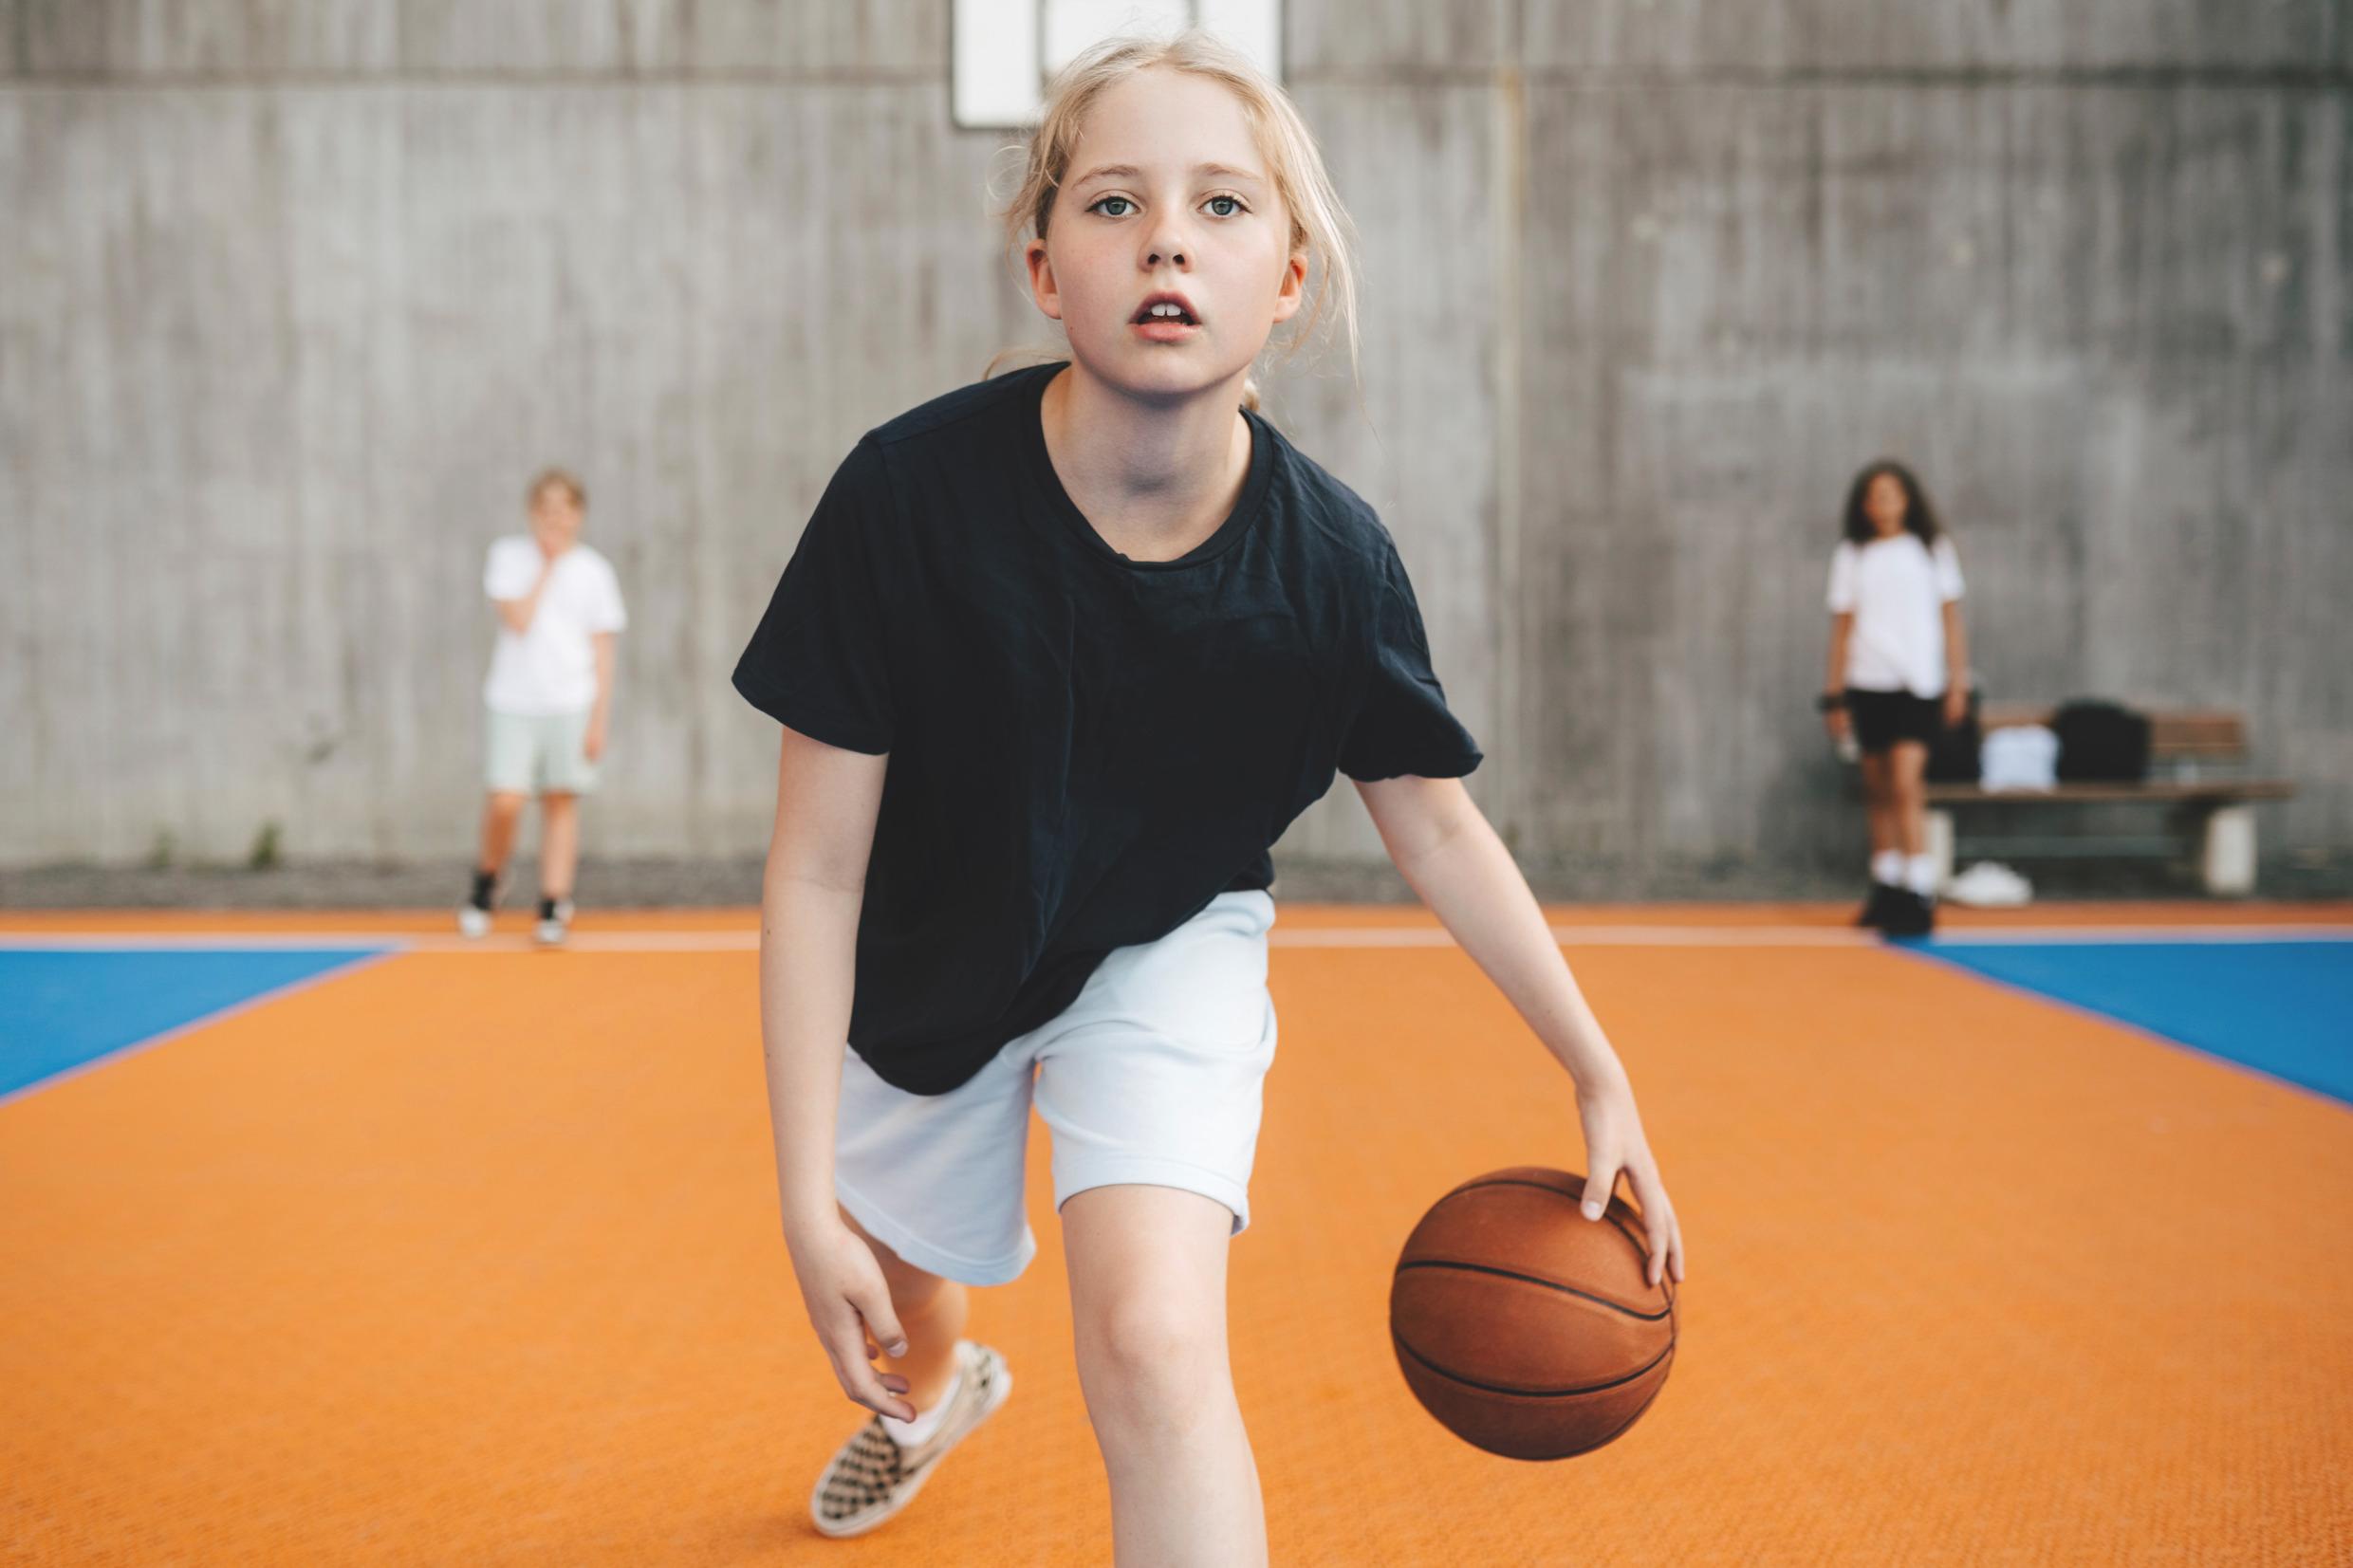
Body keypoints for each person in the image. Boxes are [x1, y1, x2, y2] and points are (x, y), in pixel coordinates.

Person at [735, 33, 1684, 1558]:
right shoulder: (903, 502)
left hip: (1165, 937)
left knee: (1156, 1343)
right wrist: (797, 1192)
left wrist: (1596, 1066)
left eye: (1224, 207)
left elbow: (1433, 815)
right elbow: (818, 869)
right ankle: (940, 1379)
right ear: (1044, 268)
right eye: (1113, 204)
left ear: (1290, 277)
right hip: (928, 945)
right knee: (896, 1291)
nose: (1167, 235)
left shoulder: (1330, 564)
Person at [460, 469, 626, 947]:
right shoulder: (508, 557)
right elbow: (517, 619)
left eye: (565, 508)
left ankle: (554, 902)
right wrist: (548, 566)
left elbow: (603, 651)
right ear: (533, 513)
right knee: (506, 799)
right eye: (546, 508)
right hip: (512, 700)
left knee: (560, 798)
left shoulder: (596, 571)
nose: (556, 518)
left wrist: (598, 719)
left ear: (579, 514)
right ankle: (487, 881)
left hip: (570, 702)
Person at [1820, 460, 1971, 937]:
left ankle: (1918, 887)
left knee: (1907, 784)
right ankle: (1885, 885)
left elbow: (1950, 619)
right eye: (1873, 495)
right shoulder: (1853, 555)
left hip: (1918, 685)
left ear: (1907, 500)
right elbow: (1842, 627)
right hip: (1868, 683)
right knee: (1878, 787)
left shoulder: (1931, 550)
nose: (1882, 503)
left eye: (1891, 493)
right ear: (1863, 505)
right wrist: (1836, 693)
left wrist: (1957, 680)